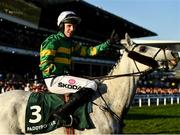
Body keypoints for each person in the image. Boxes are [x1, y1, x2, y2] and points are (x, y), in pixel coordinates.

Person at [39, 11, 120, 126]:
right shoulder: (53, 41)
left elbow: (89, 51)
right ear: (61, 26)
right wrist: (63, 71)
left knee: (95, 83)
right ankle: (62, 113)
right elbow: (44, 65)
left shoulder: (70, 44)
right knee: (91, 85)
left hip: (63, 77)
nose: (72, 29)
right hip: (54, 80)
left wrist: (108, 43)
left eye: (74, 26)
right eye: (69, 26)